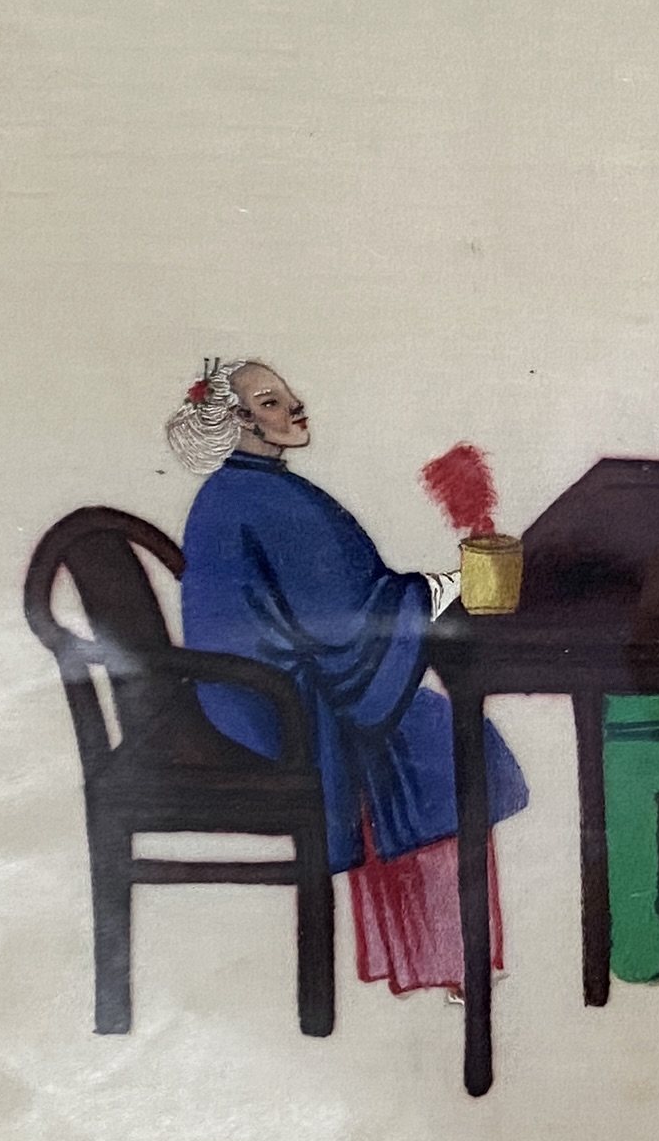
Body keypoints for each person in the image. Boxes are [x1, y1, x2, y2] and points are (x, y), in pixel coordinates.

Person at [168, 356, 527, 998]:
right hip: (274, 708)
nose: (295, 405)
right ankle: (452, 960)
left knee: (423, 728)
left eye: (287, 394)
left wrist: (419, 593)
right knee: (444, 738)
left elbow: (337, 611)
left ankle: (437, 959)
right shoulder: (262, 498)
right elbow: (343, 621)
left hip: (255, 696)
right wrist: (443, 587)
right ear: (240, 421)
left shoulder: (244, 491)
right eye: (272, 401)